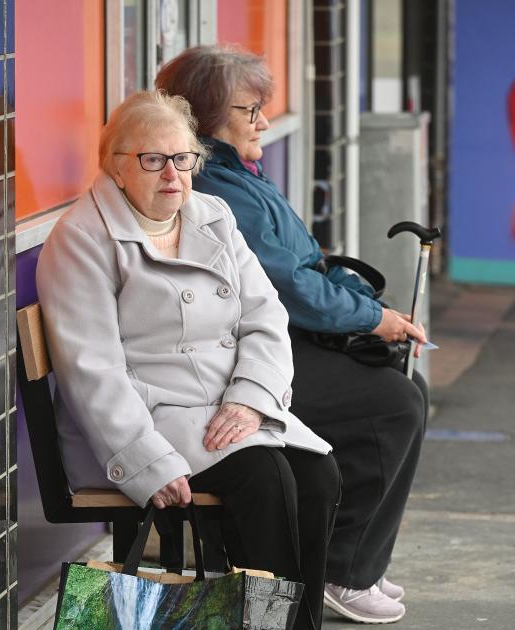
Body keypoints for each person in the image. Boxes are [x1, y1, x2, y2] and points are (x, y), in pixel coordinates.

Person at [36, 90, 340, 630]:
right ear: (116, 166)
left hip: (222, 409)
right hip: (150, 417)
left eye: (183, 159)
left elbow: (265, 316)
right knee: (265, 477)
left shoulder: (211, 214)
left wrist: (251, 398)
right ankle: (270, 626)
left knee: (318, 472)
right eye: (152, 160)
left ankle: (296, 624)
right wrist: (145, 459)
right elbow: (92, 369)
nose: (172, 174)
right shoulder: (82, 238)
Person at [156, 46, 430, 625]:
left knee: (402, 391)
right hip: (235, 368)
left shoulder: (241, 175)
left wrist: (368, 308)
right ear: (205, 115)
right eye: (250, 110)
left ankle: (352, 564)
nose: (264, 122)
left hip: (265, 349)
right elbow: (288, 288)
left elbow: (300, 269)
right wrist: (370, 317)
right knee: (394, 403)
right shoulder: (219, 188)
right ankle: (343, 570)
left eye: (263, 109)